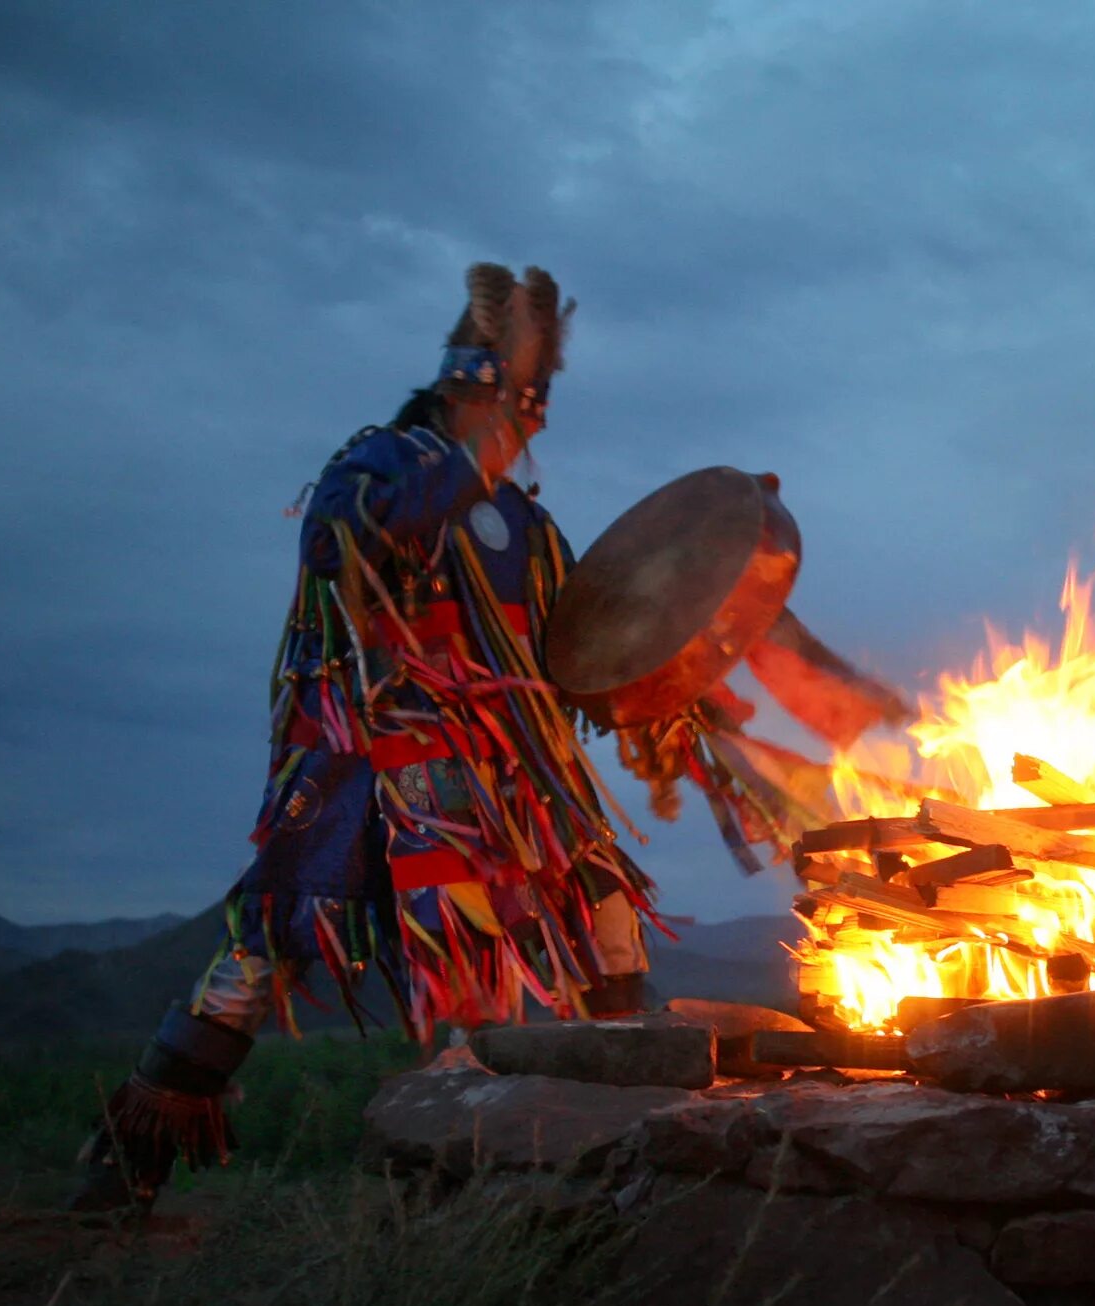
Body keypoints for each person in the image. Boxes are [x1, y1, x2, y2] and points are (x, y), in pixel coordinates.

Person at [75, 263, 658, 1213]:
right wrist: (461, 471)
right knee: (263, 954)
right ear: (459, 390)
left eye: (536, 406)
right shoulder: (377, 465)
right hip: (378, 758)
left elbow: (574, 649)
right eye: (511, 400)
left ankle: (635, 1145)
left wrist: (667, 674)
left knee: (608, 919)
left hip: (516, 769)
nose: (528, 422)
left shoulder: (527, 521)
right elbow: (338, 552)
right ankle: (127, 1161)